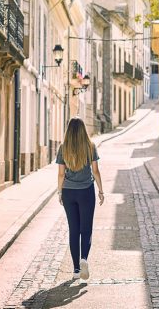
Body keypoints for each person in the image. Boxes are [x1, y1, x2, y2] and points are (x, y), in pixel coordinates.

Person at [56, 117, 104, 280]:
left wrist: (59, 192)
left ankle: (76, 270)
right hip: (86, 191)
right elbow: (95, 171)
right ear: (83, 130)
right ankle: (84, 259)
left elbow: (61, 173)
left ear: (69, 131)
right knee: (86, 229)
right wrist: (101, 190)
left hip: (69, 192)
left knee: (74, 230)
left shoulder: (63, 148)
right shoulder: (90, 146)